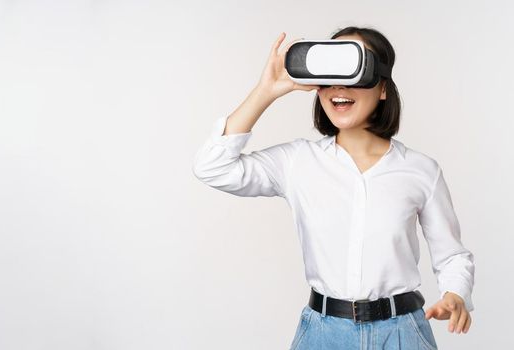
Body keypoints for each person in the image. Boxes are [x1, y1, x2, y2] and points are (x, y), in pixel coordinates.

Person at [191, 27, 475, 350]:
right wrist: (266, 90)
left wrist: (455, 294)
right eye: (330, 74)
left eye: (353, 72)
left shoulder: (421, 170)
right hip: (323, 336)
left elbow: (452, 256)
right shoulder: (298, 162)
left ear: (383, 88)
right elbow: (212, 166)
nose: (338, 86)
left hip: (402, 334)